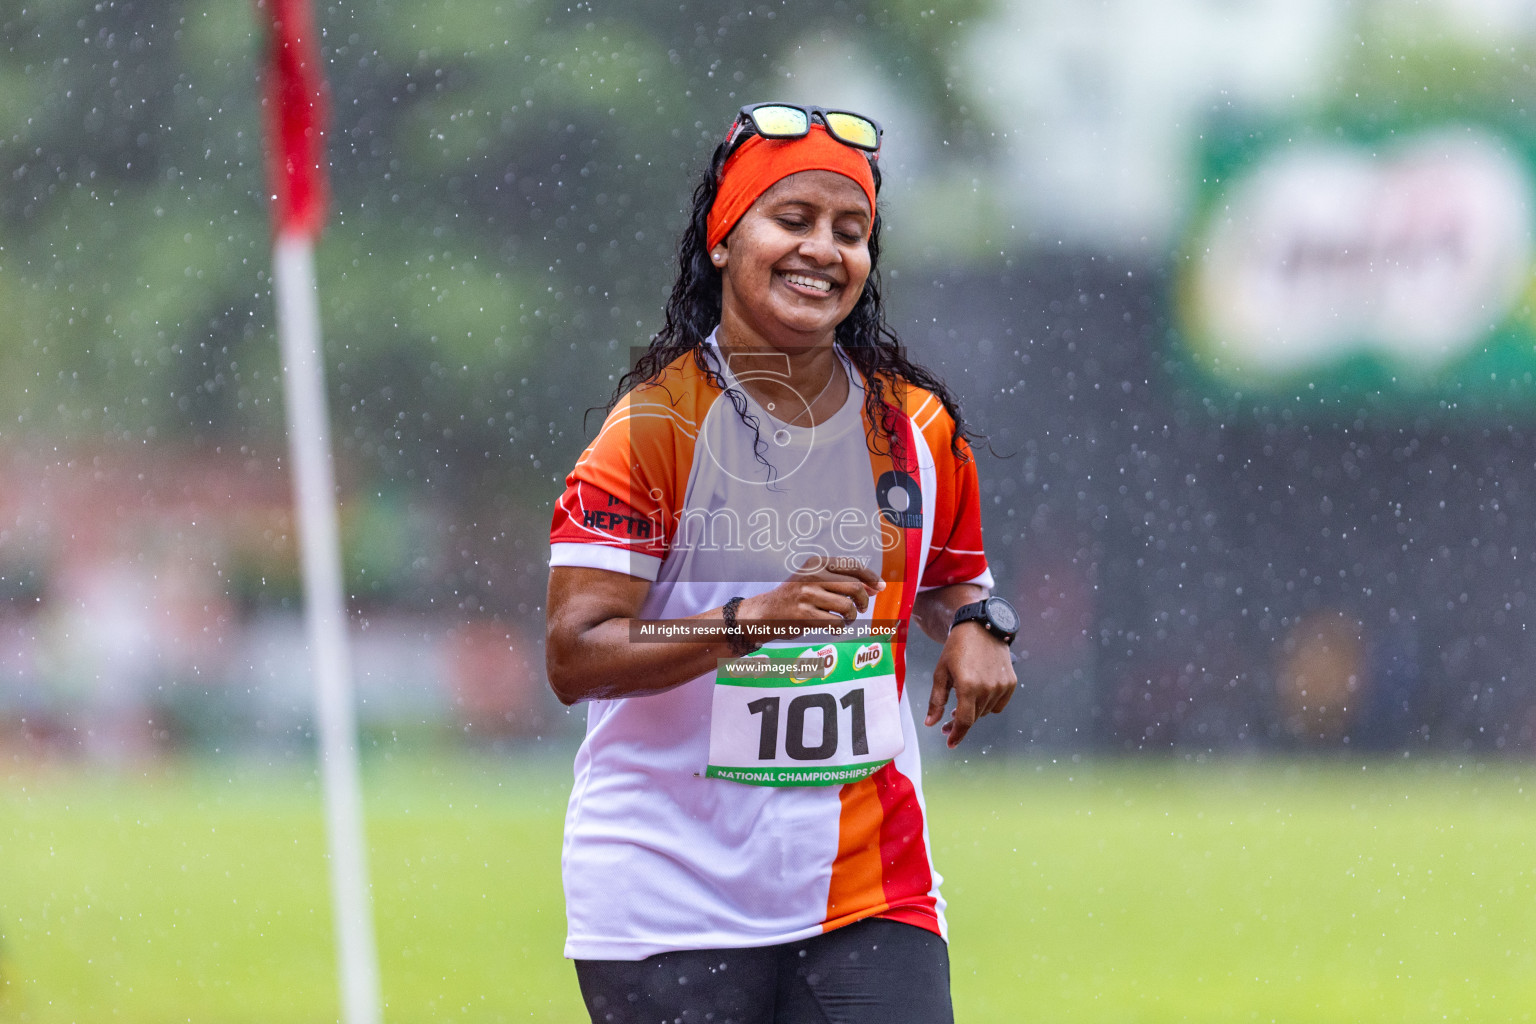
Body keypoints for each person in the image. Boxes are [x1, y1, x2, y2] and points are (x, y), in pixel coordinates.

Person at [545, 102, 1019, 1024]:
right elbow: (575, 654)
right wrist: (757, 620)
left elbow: (957, 576)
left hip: (869, 890)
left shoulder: (917, 427)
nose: (824, 250)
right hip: (667, 892)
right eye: (791, 219)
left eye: (851, 231)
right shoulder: (652, 431)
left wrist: (977, 626)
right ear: (725, 238)